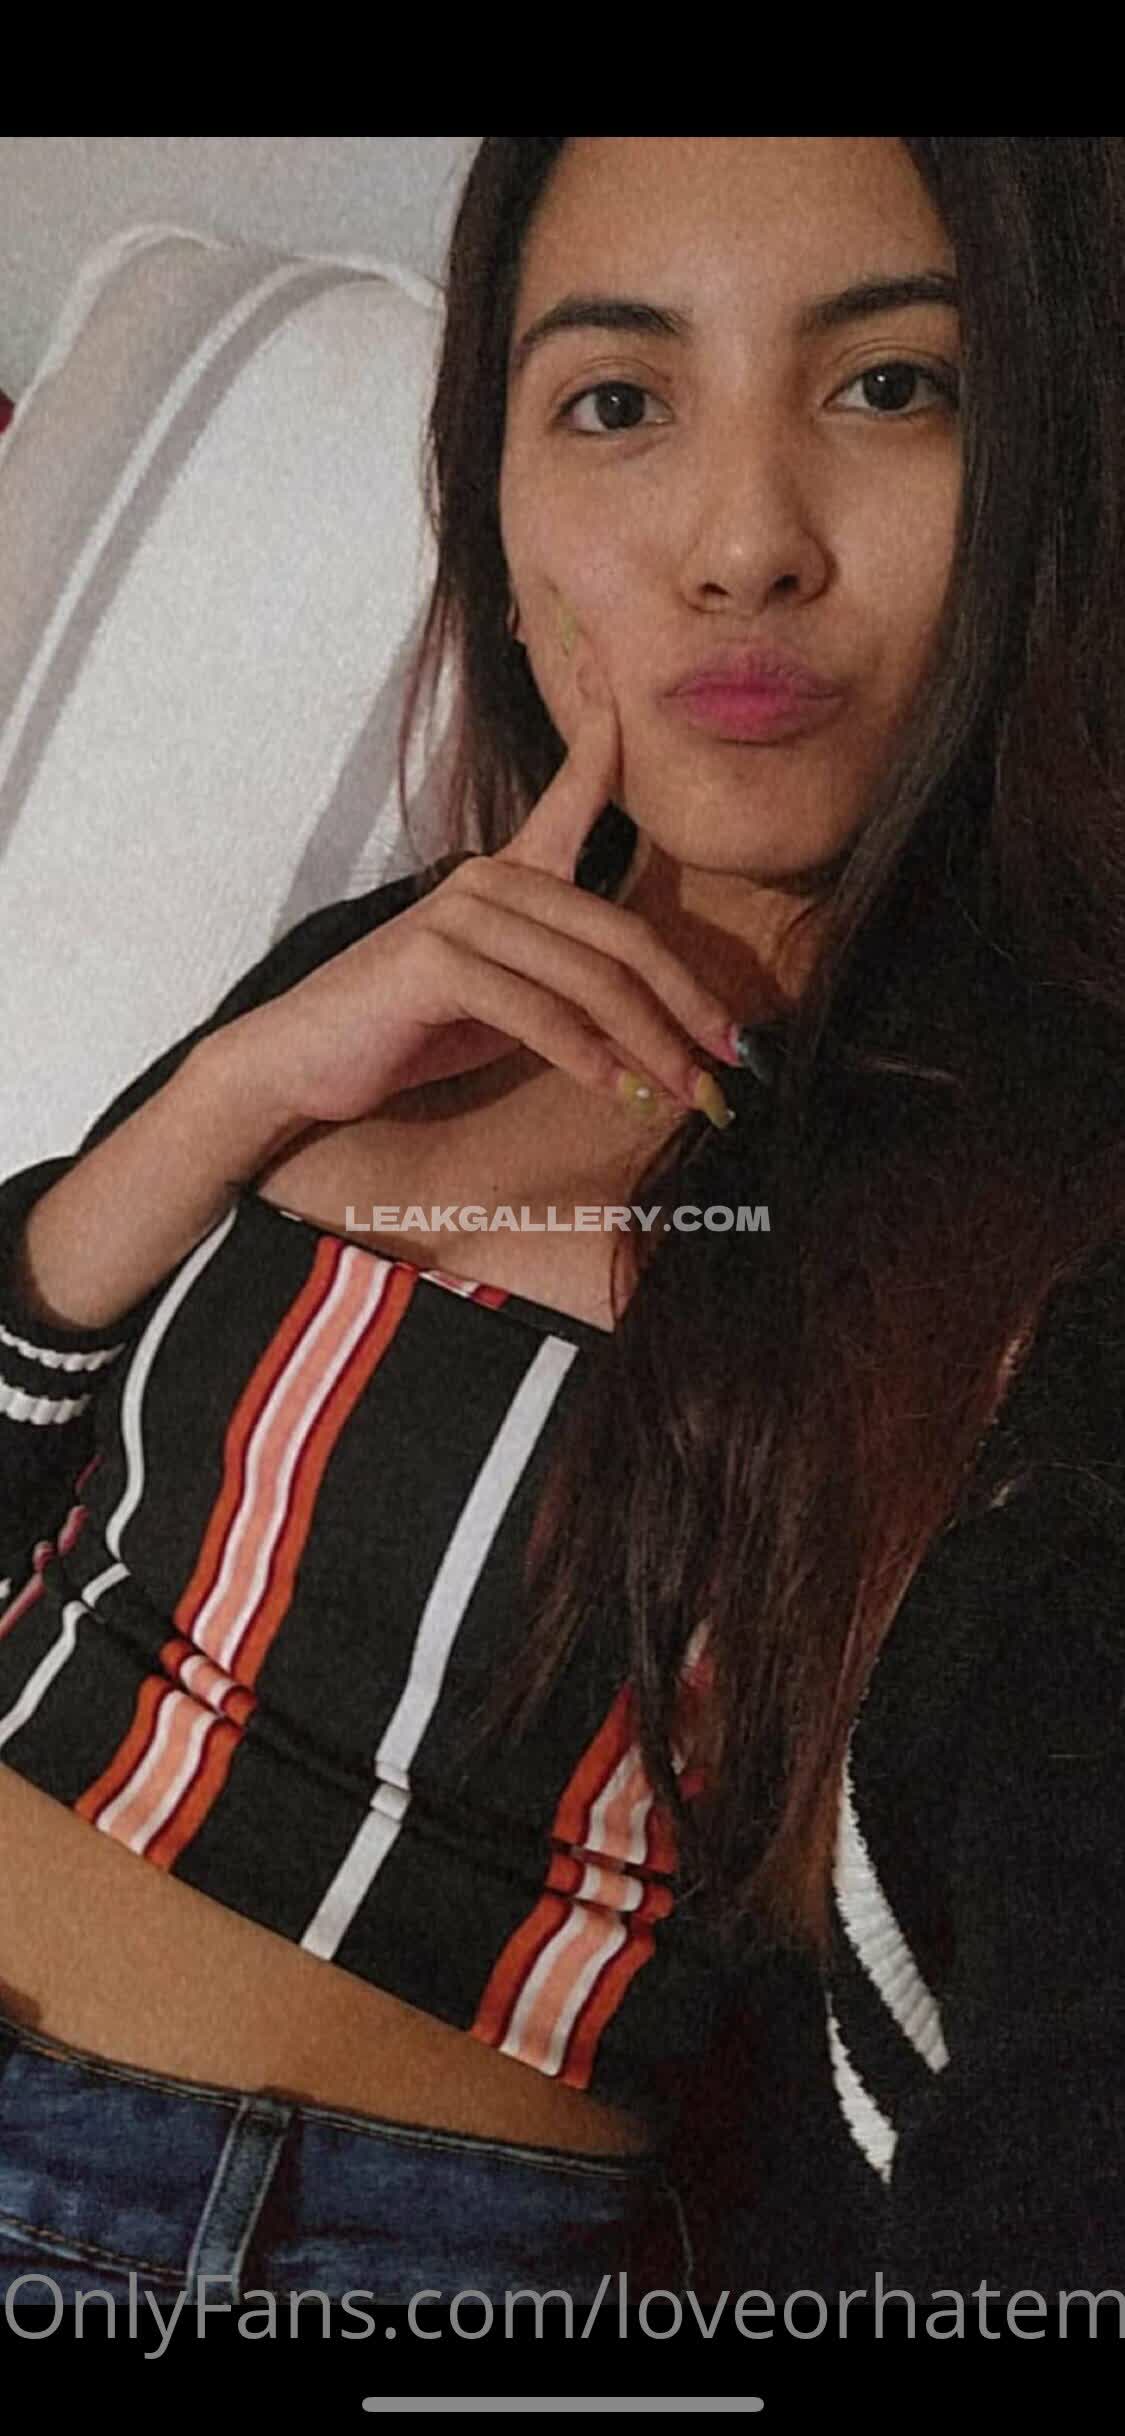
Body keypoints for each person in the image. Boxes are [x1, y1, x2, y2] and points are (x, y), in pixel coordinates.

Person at [0, 136, 1123, 2317]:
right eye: (616, 400)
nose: (741, 541)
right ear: (498, 518)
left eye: (890, 386)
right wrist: (235, 1097)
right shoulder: (385, 975)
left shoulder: (1057, 1230)